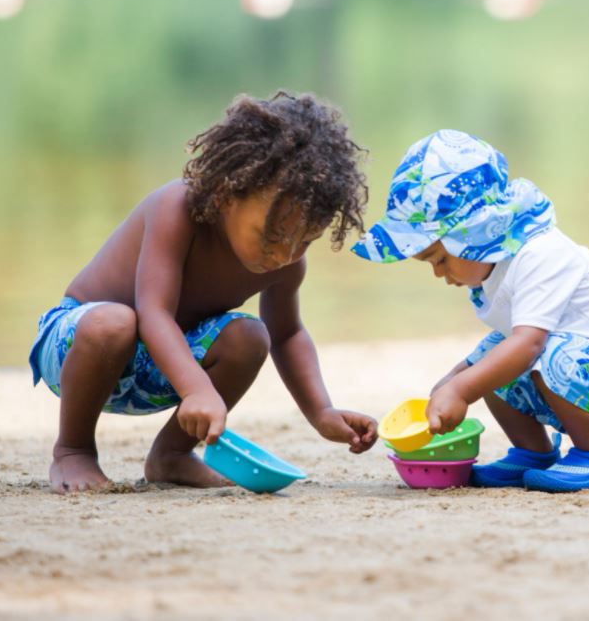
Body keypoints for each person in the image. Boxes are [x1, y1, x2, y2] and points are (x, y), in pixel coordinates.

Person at [30, 91, 378, 493]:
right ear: (228, 195)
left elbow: (287, 334)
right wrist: (196, 387)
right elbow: (153, 312)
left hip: (161, 367)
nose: (284, 254)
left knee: (250, 335)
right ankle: (73, 450)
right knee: (115, 321)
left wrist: (321, 412)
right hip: (81, 349)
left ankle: (171, 455)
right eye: (273, 236)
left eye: (305, 241)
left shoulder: (285, 263)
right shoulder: (177, 210)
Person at [352, 129, 589, 492]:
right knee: (488, 359)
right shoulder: (493, 271)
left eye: (439, 258)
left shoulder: (541, 252)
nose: (439, 273)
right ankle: (532, 452)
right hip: (581, 365)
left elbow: (529, 345)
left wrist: (462, 391)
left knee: (528, 354)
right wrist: (447, 386)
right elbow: (506, 352)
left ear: (473, 234)